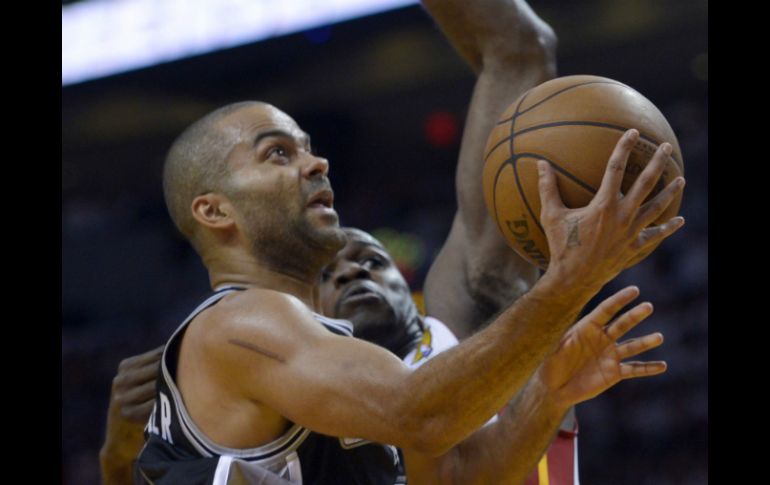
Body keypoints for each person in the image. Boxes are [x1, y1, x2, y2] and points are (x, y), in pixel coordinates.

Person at [101, 1, 686, 484]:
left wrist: (546, 398)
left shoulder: (343, 366)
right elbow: (422, 415)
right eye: (278, 153)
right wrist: (569, 282)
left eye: (308, 147)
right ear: (213, 210)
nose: (316, 163)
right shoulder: (240, 321)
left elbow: (455, 471)